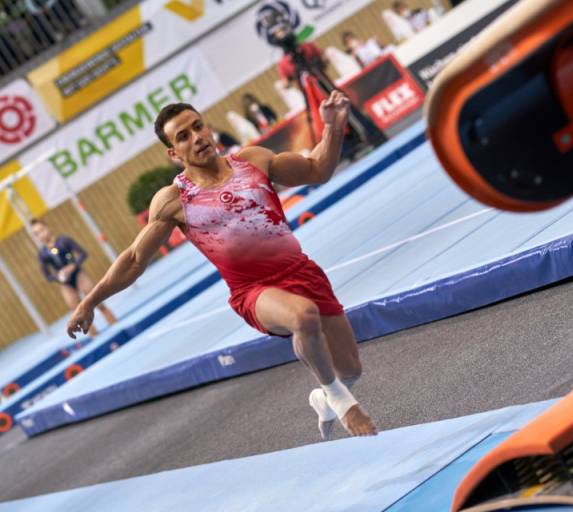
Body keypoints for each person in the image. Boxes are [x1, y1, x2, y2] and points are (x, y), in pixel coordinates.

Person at [66, 91, 378, 439]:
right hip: (254, 291)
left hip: (302, 272)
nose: (197, 137)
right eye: (183, 136)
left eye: (198, 126)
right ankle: (342, 402)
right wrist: (89, 301)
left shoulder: (253, 161)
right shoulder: (174, 200)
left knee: (350, 370)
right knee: (303, 317)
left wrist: (332, 127)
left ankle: (325, 397)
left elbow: (317, 169)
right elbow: (135, 259)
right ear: (173, 153)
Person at [31, 219, 117, 336]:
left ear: (47, 228)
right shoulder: (42, 254)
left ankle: (116, 326)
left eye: (41, 230)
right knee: (79, 315)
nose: (41, 234)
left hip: (78, 274)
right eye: (36, 234)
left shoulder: (63, 241)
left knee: (97, 302)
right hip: (65, 283)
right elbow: (47, 276)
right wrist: (58, 276)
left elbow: (83, 253)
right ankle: (94, 336)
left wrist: (73, 266)